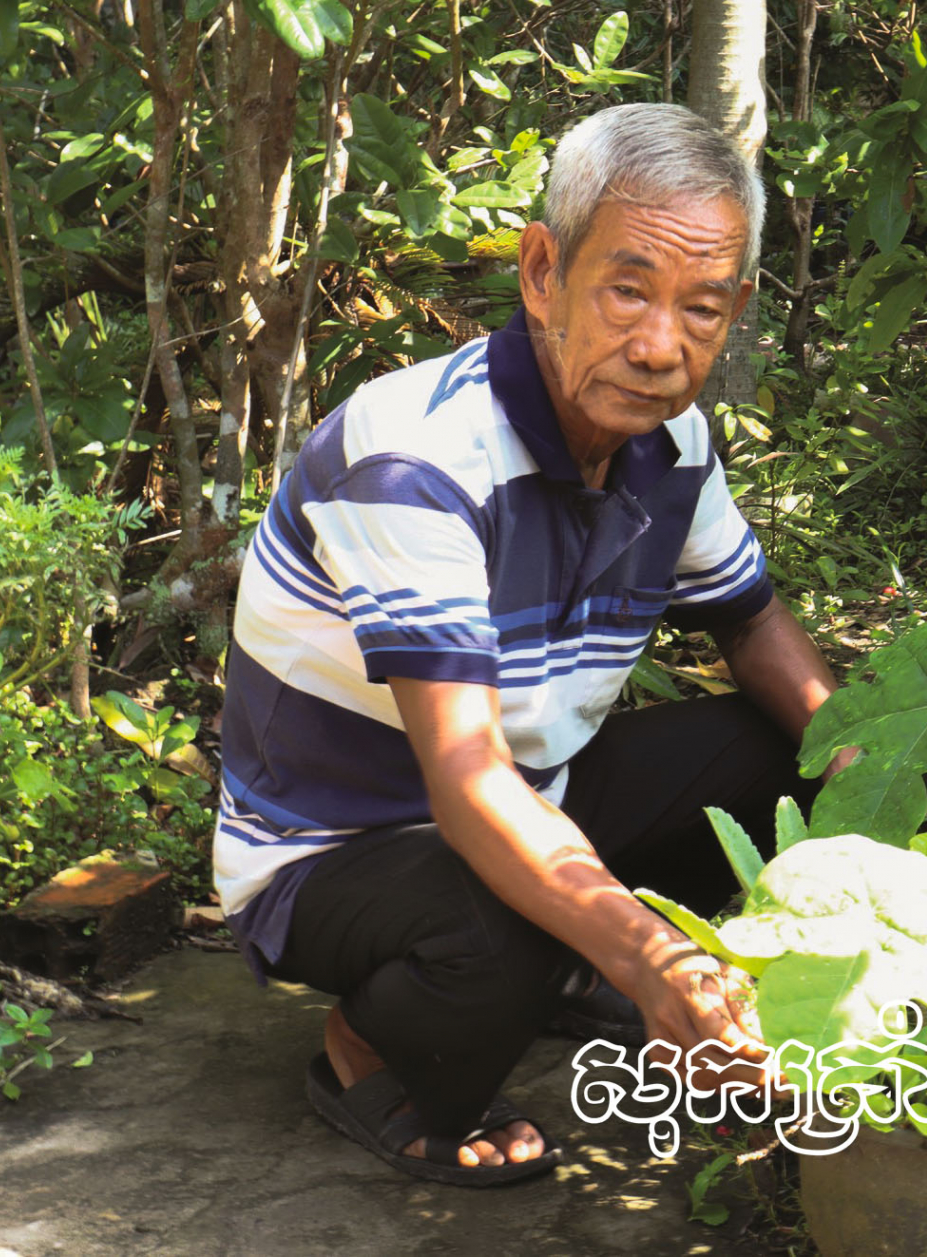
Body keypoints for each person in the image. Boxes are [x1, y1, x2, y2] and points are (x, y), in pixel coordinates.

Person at [214, 104, 841, 1185]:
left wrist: (883, 797)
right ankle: (366, 1049)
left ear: (736, 308)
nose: (659, 345)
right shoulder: (417, 458)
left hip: (531, 793)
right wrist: (649, 955)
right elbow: (462, 782)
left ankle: (557, 962)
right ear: (543, 271)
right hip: (334, 852)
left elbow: (749, 621)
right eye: (628, 290)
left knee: (784, 753)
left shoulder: (672, 445)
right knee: (507, 924)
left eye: (700, 307)